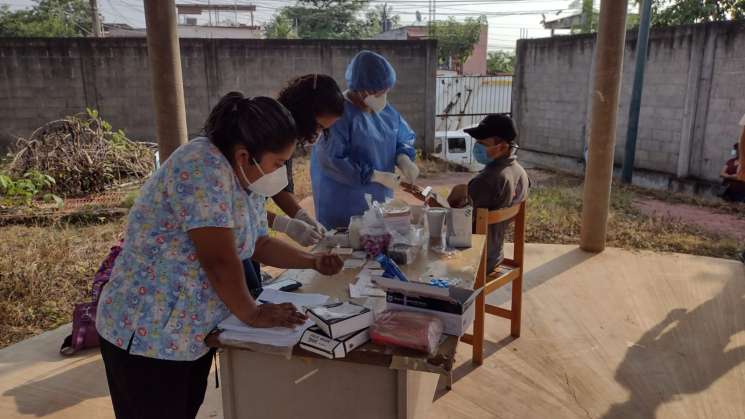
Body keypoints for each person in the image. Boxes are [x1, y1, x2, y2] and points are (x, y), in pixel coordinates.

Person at [96, 92, 344, 419]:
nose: (281, 173)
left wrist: (311, 260)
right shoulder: (201, 166)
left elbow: (258, 243)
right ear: (245, 155)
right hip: (145, 332)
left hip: (189, 331)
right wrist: (253, 313)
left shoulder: (245, 179)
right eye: (278, 163)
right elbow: (219, 259)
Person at [242, 74, 346, 295]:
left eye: (323, 131)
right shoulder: (265, 134)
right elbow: (238, 212)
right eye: (318, 126)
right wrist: (283, 224)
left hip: (246, 237)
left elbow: (276, 187)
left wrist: (300, 216)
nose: (317, 136)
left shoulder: (282, 138)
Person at [311, 50, 419, 229]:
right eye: (380, 92)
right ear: (363, 91)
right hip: (342, 205)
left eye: (386, 91)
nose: (384, 97)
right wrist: (374, 175)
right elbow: (333, 160)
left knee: (378, 242)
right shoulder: (338, 116)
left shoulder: (385, 111)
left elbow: (401, 136)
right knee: (346, 250)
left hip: (380, 201)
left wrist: (404, 158)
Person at [447, 114, 529, 274]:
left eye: (483, 143)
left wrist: (436, 205)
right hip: (494, 255)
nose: (477, 147)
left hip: (475, 259)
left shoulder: (487, 180)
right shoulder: (520, 172)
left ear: (503, 147)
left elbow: (457, 226)